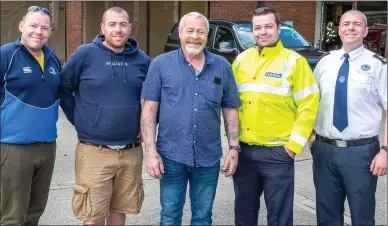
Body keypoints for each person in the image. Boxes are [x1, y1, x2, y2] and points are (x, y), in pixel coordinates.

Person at [140, 12, 241, 226]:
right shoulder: (160, 64)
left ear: (207, 35)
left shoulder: (222, 66)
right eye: (190, 31)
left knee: (203, 218)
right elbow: (149, 111)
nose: (195, 36)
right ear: (180, 33)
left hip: (208, 157)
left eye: (200, 32)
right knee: (169, 217)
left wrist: (233, 147)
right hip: (171, 156)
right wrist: (150, 152)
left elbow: (231, 109)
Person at [59, 6, 151, 225]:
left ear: (129, 27)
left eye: (122, 24)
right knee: (93, 215)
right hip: (94, 151)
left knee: (120, 210)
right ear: (102, 28)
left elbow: (156, 95)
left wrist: (147, 123)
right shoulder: (84, 54)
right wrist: (80, 119)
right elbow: (64, 89)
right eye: (112, 24)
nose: (117, 30)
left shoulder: (142, 60)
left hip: (131, 151)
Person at [231, 7, 320, 226]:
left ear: (279, 28)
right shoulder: (241, 60)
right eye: (257, 27)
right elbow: (230, 104)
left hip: (278, 154)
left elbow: (309, 105)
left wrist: (292, 148)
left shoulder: (295, 62)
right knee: (244, 213)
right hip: (245, 152)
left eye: (268, 26)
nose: (263, 32)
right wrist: (232, 142)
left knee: (280, 216)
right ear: (252, 31)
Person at [311, 10, 387, 226]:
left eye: (356, 24)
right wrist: (311, 138)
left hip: (361, 153)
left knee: (362, 215)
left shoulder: (378, 65)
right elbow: (311, 102)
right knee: (326, 216)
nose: (350, 28)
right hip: (324, 150)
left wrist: (385, 150)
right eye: (346, 23)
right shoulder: (325, 62)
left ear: (365, 30)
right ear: (339, 29)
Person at [0, 6, 61, 226]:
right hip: (14, 148)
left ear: (50, 31)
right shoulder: (6, 55)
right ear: (21, 26)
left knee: (34, 212)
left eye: (44, 27)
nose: (39, 31)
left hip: (47, 147)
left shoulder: (53, 60)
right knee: (13, 216)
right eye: (33, 26)